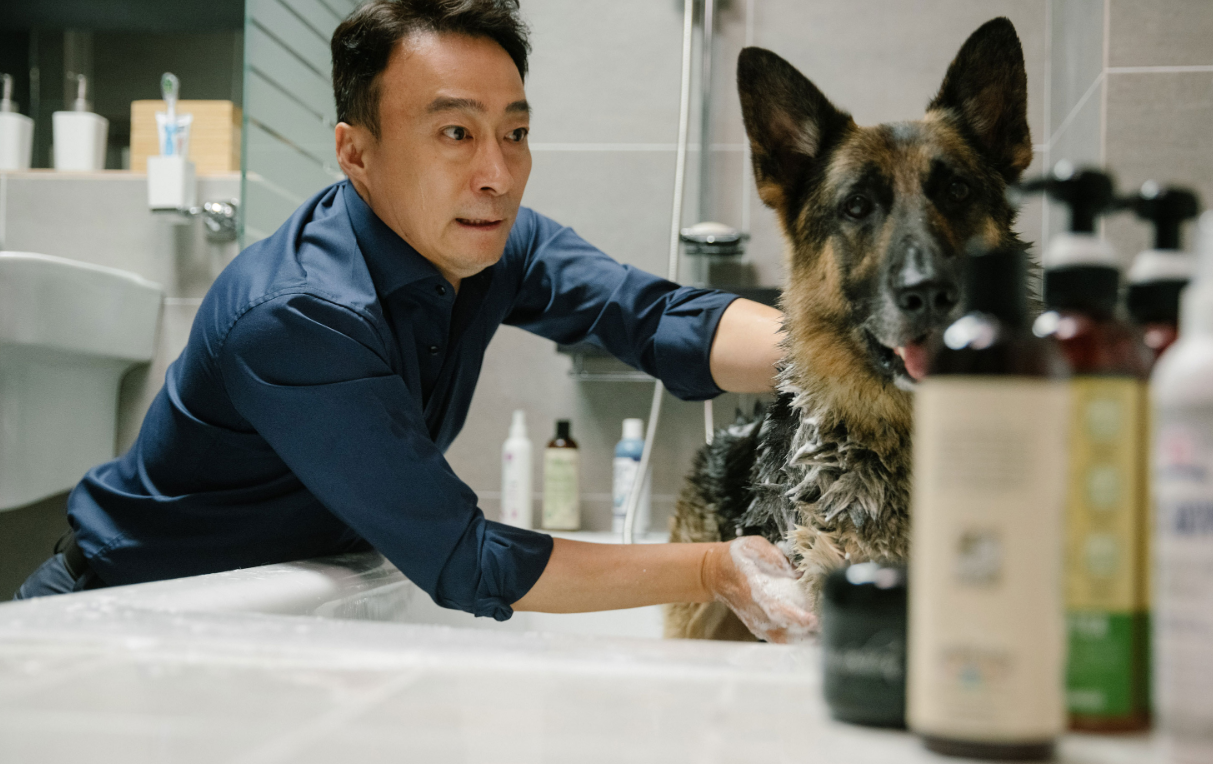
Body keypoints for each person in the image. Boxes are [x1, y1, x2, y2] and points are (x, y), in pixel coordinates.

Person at [14, 0, 814, 643]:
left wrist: (849, 359)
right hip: (119, 621)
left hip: (269, 611)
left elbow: (655, 318)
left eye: (515, 133)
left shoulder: (493, 242)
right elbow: (467, 560)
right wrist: (714, 569)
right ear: (355, 153)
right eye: (455, 133)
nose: (498, 174)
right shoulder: (299, 316)